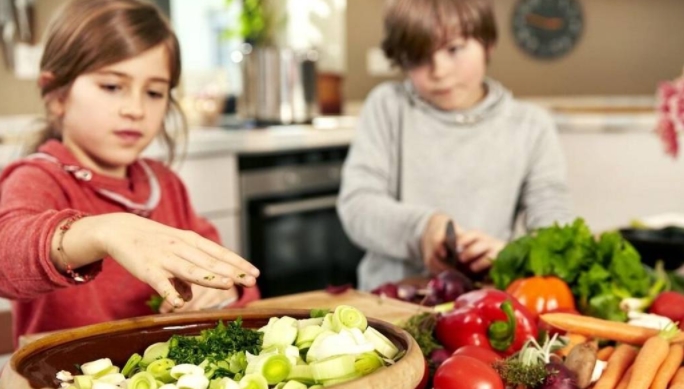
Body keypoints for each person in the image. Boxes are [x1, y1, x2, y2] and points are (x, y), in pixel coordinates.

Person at [0, 0, 260, 345]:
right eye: (111, 86)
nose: (135, 109)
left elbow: (240, 284)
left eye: (153, 92)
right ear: (57, 95)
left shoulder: (165, 185)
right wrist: (105, 230)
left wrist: (218, 291)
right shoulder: (38, 178)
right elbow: (7, 258)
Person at [337, 0, 574, 291]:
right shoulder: (387, 107)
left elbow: (555, 229)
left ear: (488, 43)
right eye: (419, 55)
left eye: (454, 49)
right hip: (388, 299)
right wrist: (423, 229)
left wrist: (508, 255)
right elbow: (357, 206)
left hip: (484, 301)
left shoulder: (531, 126)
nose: (439, 70)